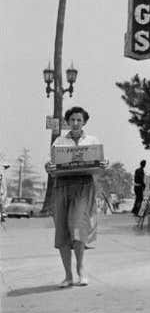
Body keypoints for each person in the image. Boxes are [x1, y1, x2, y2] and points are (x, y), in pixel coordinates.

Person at [46, 106, 107, 288]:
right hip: (62, 187)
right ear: (67, 122)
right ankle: (68, 275)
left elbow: (99, 165)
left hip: (83, 187)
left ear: (84, 122)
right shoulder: (59, 142)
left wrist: (104, 164)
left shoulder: (92, 140)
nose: (75, 123)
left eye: (79, 120)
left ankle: (81, 269)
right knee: (62, 231)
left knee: (78, 228)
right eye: (72, 120)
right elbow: (51, 164)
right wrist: (48, 167)